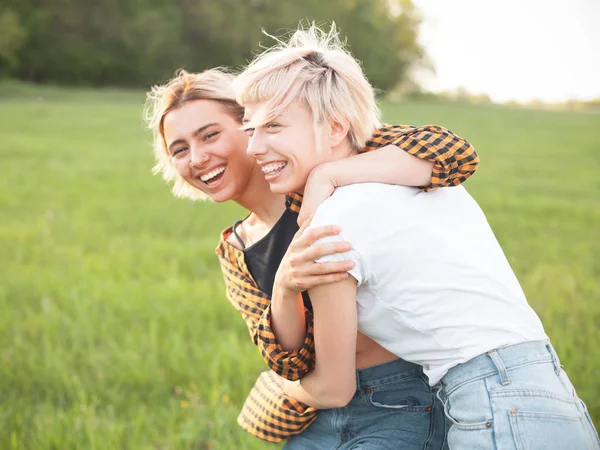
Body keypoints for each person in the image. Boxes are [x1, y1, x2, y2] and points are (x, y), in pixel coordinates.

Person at [233, 23, 600, 449]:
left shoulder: (331, 222)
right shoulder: (424, 178)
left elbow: (334, 389)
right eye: (250, 130)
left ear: (336, 128)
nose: (254, 147)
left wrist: (278, 388)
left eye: (274, 126)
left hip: (492, 404)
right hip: (550, 391)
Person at [145, 66, 479, 446]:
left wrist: (330, 176)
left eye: (210, 135)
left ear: (251, 125)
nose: (198, 157)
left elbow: (452, 152)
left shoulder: (323, 172)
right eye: (180, 150)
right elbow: (289, 361)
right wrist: (285, 288)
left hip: (403, 398)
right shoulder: (235, 252)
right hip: (318, 415)